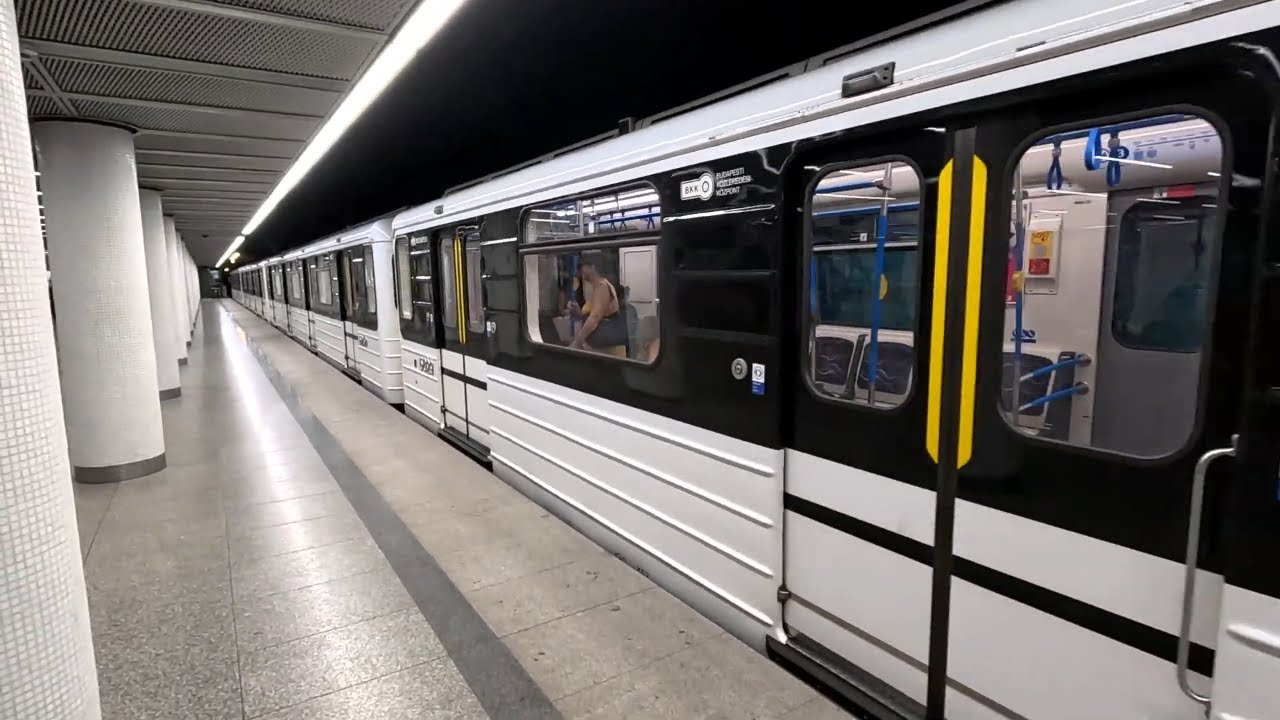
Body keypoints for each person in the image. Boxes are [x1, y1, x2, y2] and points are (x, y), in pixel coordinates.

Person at [568, 252, 627, 358]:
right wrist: (580, 312)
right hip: (598, 348)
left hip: (606, 351)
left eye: (583, 267)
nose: (581, 270)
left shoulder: (602, 287)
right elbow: (597, 314)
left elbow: (595, 318)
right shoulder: (597, 288)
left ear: (592, 267)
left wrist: (577, 342)